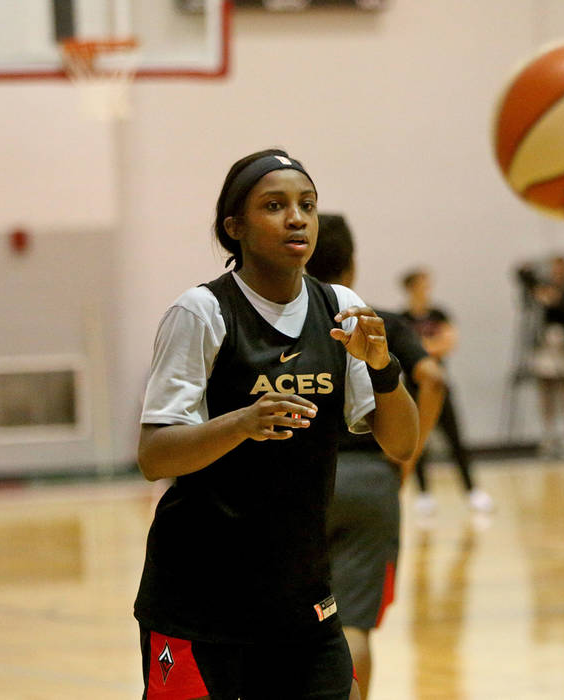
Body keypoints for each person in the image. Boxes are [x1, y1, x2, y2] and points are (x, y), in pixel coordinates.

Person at [135, 149, 418, 700]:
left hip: (302, 595)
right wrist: (242, 422)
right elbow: (155, 456)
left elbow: (402, 443)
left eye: (307, 205)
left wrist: (384, 369)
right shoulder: (202, 313)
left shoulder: (340, 306)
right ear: (234, 227)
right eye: (275, 205)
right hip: (199, 599)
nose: (297, 218)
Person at [305, 213, 447, 700]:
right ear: (352, 265)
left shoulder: (287, 324)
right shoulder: (379, 322)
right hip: (370, 478)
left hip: (301, 483)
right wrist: (408, 456)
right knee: (355, 624)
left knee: (293, 628)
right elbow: (433, 378)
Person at [399, 268, 494, 515]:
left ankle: (472, 491)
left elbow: (449, 343)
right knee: (417, 442)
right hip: (413, 389)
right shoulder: (402, 319)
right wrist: (426, 349)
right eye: (422, 284)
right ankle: (424, 495)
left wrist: (419, 350)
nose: (426, 288)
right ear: (410, 288)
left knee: (456, 440)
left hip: (439, 386)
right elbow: (401, 351)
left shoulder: (439, 313)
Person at [526, 255, 564, 458]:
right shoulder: (543, 287)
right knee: (547, 390)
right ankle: (549, 435)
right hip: (547, 345)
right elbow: (525, 283)